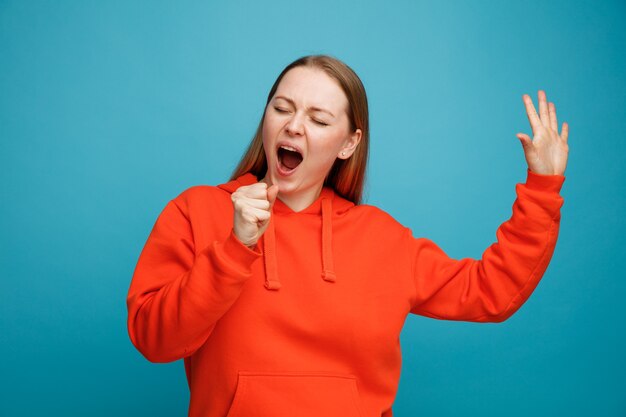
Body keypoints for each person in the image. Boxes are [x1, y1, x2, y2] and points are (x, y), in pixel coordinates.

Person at [126, 54, 569, 417]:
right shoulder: (198, 211)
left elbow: (490, 290)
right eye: (282, 108)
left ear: (348, 144)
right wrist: (234, 248)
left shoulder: (381, 239)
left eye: (318, 119)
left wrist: (543, 186)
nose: (294, 126)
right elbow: (153, 338)